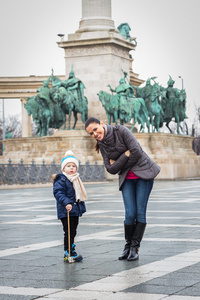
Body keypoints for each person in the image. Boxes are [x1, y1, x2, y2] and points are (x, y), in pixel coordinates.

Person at [85, 117, 160, 261]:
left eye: (95, 129)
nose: (95, 134)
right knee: (129, 214)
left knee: (140, 213)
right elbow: (111, 169)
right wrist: (125, 154)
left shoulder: (121, 131)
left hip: (143, 174)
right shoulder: (102, 145)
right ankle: (127, 245)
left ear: (102, 124)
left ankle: (134, 247)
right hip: (127, 179)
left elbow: (137, 152)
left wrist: (120, 161)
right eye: (91, 134)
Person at [52, 150, 87, 262]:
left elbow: (78, 195)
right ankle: (68, 252)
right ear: (63, 168)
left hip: (74, 210)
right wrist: (66, 202)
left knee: (73, 231)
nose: (71, 168)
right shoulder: (61, 179)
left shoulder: (76, 179)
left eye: (73, 166)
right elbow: (58, 192)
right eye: (68, 166)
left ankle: (71, 248)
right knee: (68, 231)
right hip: (65, 210)